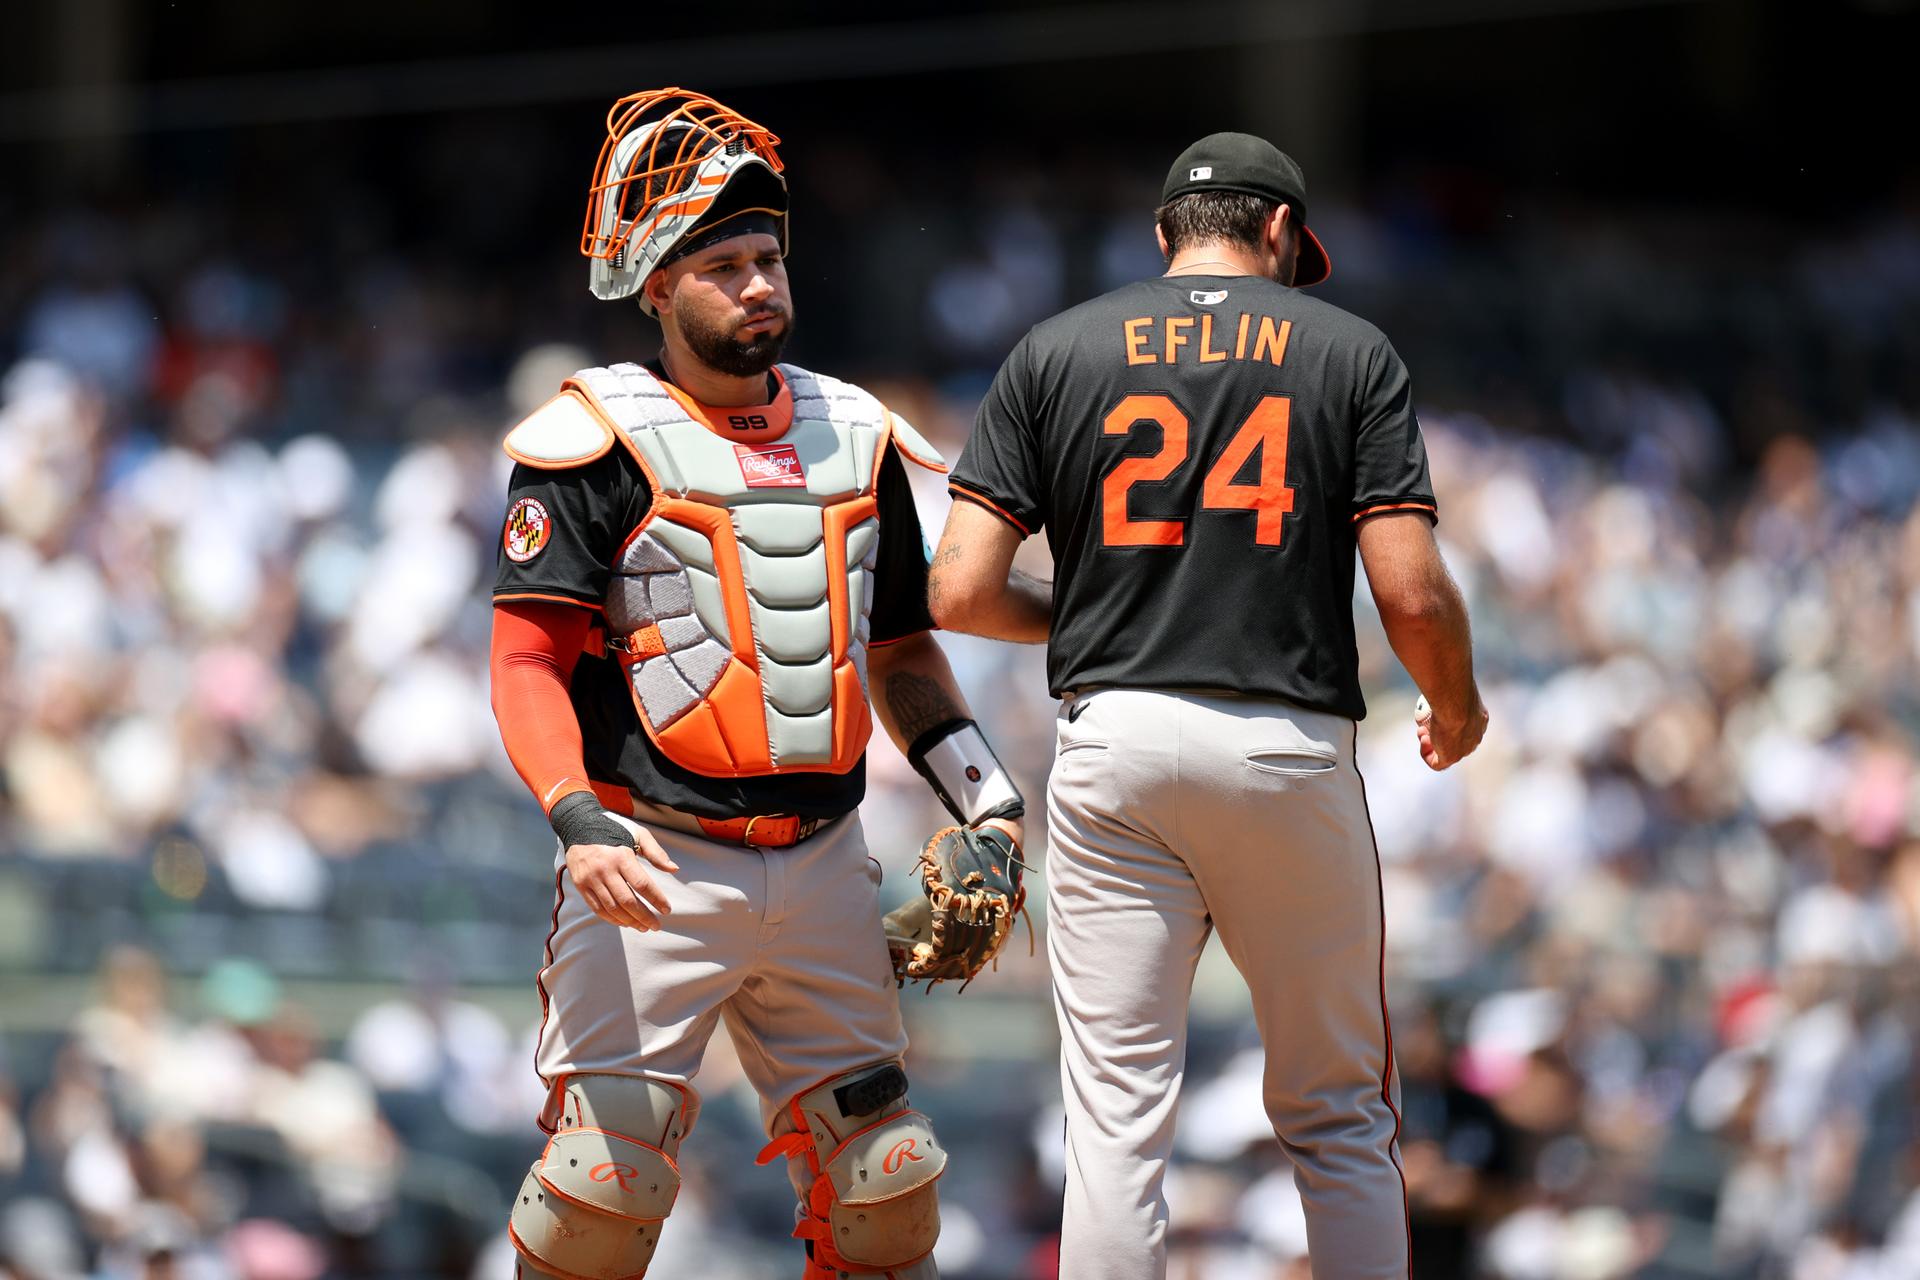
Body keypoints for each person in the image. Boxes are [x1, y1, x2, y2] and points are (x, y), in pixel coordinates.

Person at [927, 131, 1489, 1279]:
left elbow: (962, 588)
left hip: (1114, 742)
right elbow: (1411, 590)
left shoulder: (1057, 347)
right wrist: (1458, 701)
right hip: (1285, 745)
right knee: (1338, 1113)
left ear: (1163, 239)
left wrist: (1096, 613)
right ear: (1279, 232)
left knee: (1115, 1123)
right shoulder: (1348, 350)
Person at [488, 88, 1027, 1280]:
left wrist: (987, 801)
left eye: (769, 257)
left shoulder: (858, 431)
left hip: (827, 860)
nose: (759, 284)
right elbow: (525, 659)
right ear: (656, 287)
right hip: (652, 861)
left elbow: (901, 654)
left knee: (887, 1193)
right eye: (723, 264)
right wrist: (574, 818)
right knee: (598, 1195)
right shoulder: (591, 441)